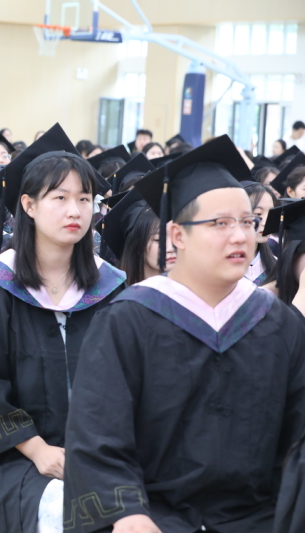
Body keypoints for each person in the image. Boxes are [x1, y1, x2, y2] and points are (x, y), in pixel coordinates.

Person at [64, 135, 305, 533]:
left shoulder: (279, 323)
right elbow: (97, 439)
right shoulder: (128, 321)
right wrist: (128, 514)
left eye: (248, 222)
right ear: (177, 235)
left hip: (260, 520)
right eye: (220, 223)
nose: (240, 236)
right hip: (152, 517)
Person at [0, 124, 126, 533]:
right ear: (28, 205)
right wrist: (37, 449)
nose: (75, 211)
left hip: (98, 452)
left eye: (84, 199)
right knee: (68, 509)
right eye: (60, 198)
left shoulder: (111, 288)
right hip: (7, 460)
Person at [102, 189, 175, 285]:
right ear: (137, 246)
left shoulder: (189, 291)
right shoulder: (118, 293)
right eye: (159, 239)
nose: (171, 248)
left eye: (176, 237)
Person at [241, 181, 277, 286]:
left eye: (271, 213)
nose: (266, 222)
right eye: (258, 214)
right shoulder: (217, 268)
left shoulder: (278, 265)